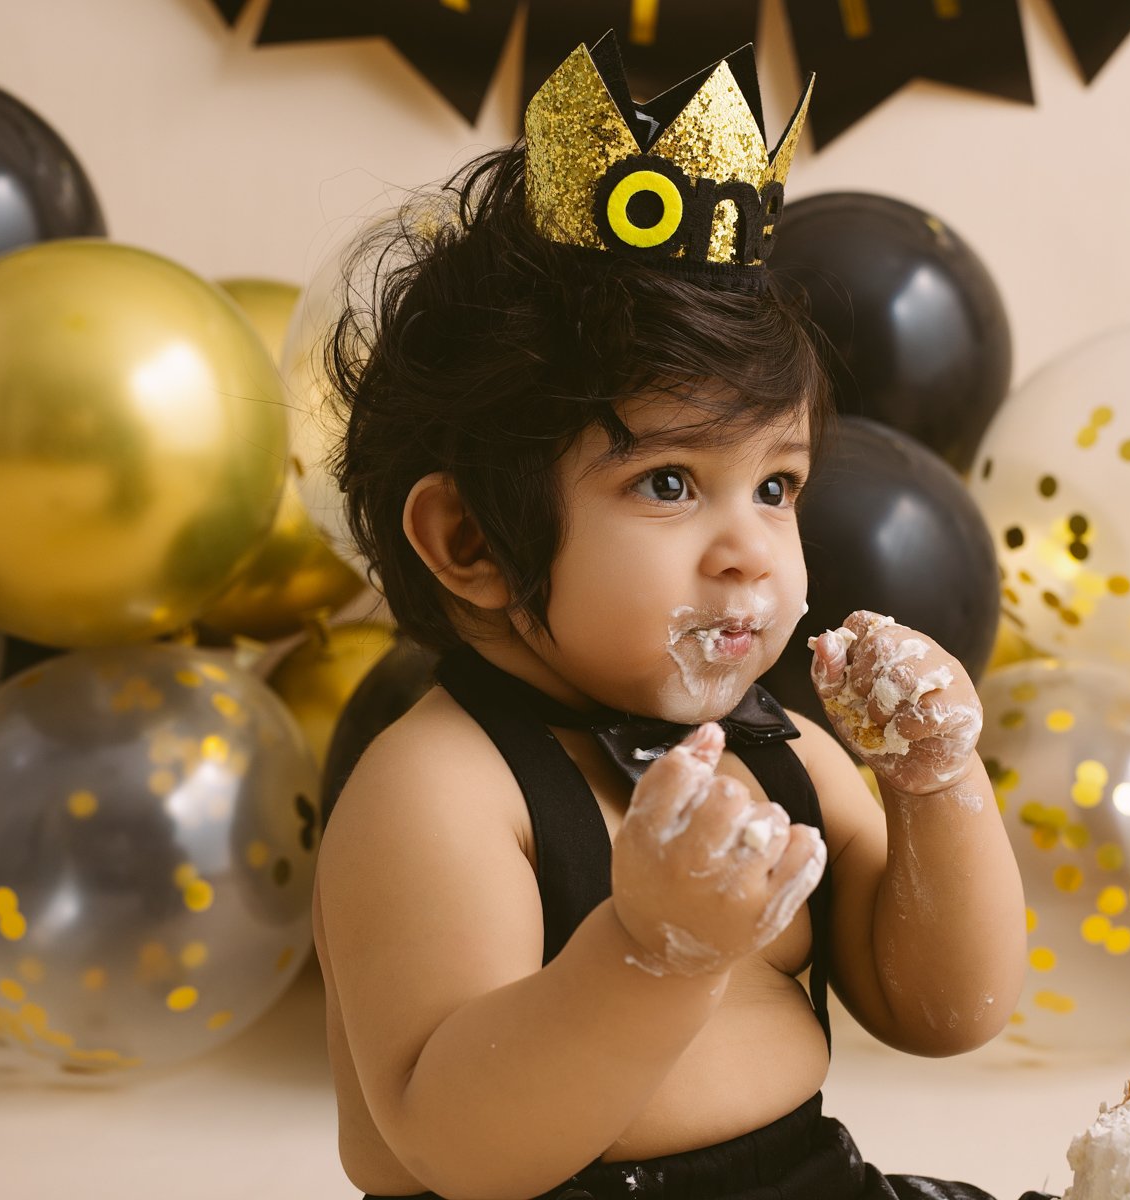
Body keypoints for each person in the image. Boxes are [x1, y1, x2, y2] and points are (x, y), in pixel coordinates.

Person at [313, 31, 1026, 1200]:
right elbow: (452, 1144)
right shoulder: (443, 791)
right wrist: (653, 950)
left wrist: (938, 785)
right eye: (668, 483)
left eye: (776, 486)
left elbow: (949, 1010)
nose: (751, 551)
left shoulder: (780, 751)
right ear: (472, 543)